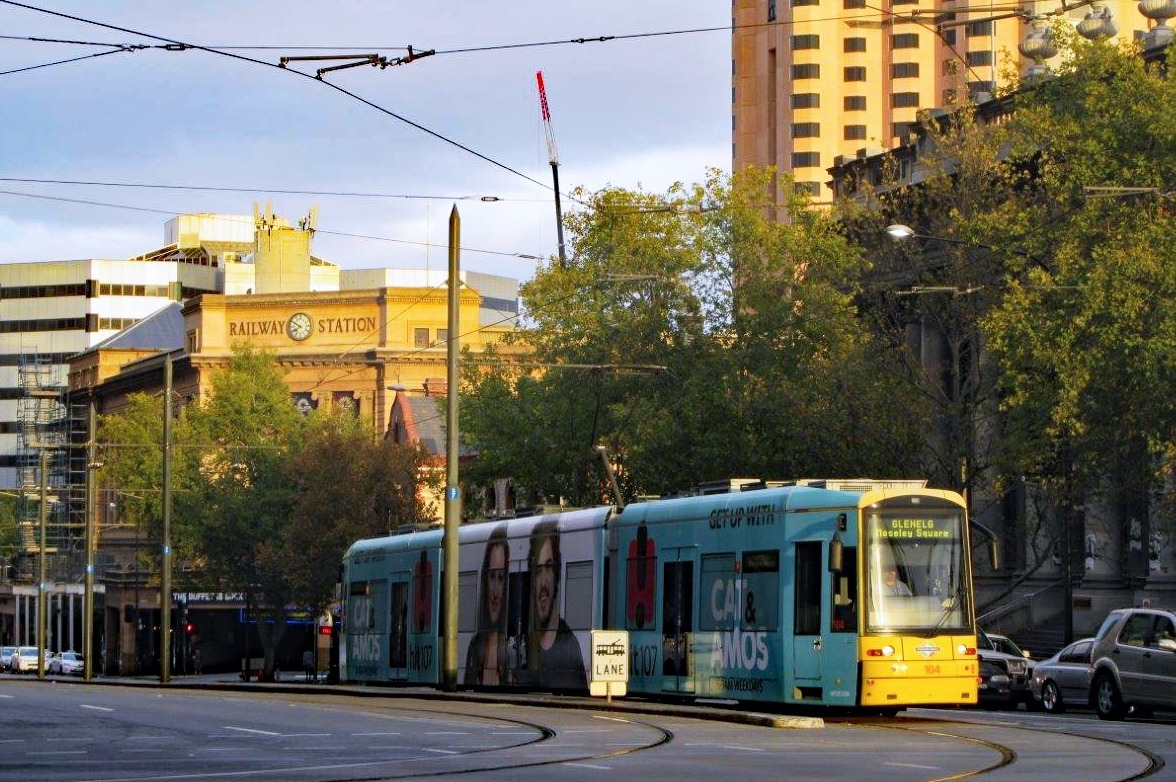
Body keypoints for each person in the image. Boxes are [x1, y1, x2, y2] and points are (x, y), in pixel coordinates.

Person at [526, 520, 587, 690]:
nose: (543, 582)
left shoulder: (570, 647)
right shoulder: (522, 644)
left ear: (557, 574)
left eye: (549, 568)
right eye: (538, 571)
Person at [465, 525, 510, 686]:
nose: (495, 593)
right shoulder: (475, 645)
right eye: (492, 577)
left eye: (501, 578)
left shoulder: (514, 647)